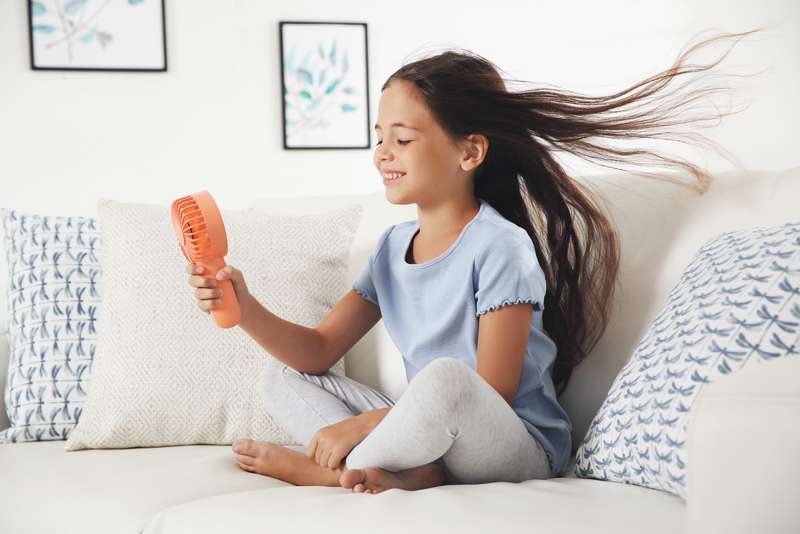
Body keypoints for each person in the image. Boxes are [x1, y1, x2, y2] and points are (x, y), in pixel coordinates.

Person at [185, 31, 752, 493]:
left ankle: (334, 472)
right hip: (427, 430)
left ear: (470, 151)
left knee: (445, 382)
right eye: (379, 137)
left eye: (402, 139)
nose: (382, 152)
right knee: (281, 376)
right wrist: (245, 304)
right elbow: (316, 352)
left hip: (513, 444)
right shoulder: (390, 250)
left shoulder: (500, 247)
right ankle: (406, 473)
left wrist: (366, 423)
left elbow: (489, 394)